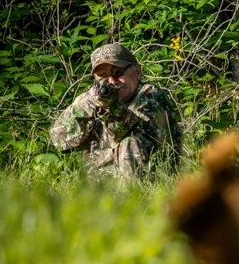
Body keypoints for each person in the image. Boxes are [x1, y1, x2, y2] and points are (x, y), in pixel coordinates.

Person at [50, 43, 182, 179]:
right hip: (101, 189)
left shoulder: (151, 96)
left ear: (138, 72)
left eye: (118, 73)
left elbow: (125, 134)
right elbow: (59, 140)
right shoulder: (93, 99)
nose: (112, 81)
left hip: (150, 183)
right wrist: (88, 104)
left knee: (130, 144)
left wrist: (110, 107)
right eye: (103, 77)